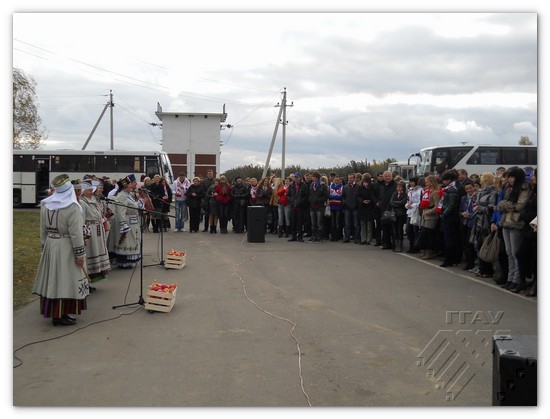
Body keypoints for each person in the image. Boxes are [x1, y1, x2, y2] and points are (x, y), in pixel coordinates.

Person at [32, 174, 89, 326]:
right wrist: (80, 254)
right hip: (66, 246)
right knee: (65, 279)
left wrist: (44, 246)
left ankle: (55, 312)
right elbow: (76, 234)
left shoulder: (46, 204)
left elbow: (42, 229)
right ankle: (60, 314)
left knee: (53, 279)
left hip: (51, 244)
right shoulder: (72, 207)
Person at [497, 167, 531, 292]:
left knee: (515, 252)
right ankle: (510, 279)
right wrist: (505, 205)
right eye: (509, 177)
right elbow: (501, 203)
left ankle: (516, 280)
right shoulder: (507, 188)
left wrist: (505, 205)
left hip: (516, 223)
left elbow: (519, 206)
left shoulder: (524, 188)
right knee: (508, 252)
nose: (509, 179)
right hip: (506, 221)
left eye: (512, 177)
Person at [107, 175, 144, 269]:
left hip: (133, 221)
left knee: (132, 241)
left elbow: (133, 206)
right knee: (127, 242)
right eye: (132, 183)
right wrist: (123, 225)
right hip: (128, 221)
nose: (134, 184)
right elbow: (121, 211)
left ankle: (129, 260)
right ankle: (124, 261)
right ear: (126, 185)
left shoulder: (129, 194)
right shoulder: (122, 196)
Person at [80, 180, 110, 289]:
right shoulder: (82, 202)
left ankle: (91, 280)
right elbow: (82, 220)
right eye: (89, 190)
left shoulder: (92, 199)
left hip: (97, 230)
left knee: (96, 253)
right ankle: (86, 281)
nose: (91, 192)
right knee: (90, 254)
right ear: (83, 191)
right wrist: (84, 236)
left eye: (92, 190)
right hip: (90, 232)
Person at [473, 172, 498, 278]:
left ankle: (487, 270)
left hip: (486, 221)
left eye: (482, 180)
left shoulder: (493, 193)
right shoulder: (480, 192)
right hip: (478, 221)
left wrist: (479, 208)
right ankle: (481, 267)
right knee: (478, 244)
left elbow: (491, 207)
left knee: (485, 245)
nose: (480, 182)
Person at [438, 171, 461, 267]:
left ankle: (449, 259)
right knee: (450, 238)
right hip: (448, 215)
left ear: (449, 180)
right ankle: (452, 258)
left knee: (449, 239)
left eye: (445, 180)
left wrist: (444, 214)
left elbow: (451, 204)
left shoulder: (451, 190)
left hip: (450, 217)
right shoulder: (448, 189)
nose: (443, 182)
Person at [418, 175, 440, 260]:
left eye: (427, 182)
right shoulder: (427, 191)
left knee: (428, 234)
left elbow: (437, 206)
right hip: (425, 215)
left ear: (432, 182)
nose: (426, 184)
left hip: (431, 216)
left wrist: (428, 212)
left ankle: (430, 252)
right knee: (425, 234)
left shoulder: (435, 193)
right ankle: (426, 251)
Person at [459, 181, 477, 271]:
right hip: (464, 222)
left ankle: (471, 263)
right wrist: (462, 214)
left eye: (470, 188)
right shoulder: (463, 198)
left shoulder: (475, 197)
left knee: (470, 244)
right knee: (465, 243)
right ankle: (468, 262)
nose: (469, 190)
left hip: (472, 222)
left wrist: (470, 215)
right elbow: (461, 209)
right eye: (467, 189)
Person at [287, 172, 309, 242]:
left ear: (300, 178)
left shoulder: (304, 185)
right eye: (295, 177)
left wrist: (300, 202)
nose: (295, 179)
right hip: (293, 206)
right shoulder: (291, 185)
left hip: (300, 206)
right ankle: (293, 236)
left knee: (300, 221)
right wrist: (292, 201)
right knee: (293, 221)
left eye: (297, 177)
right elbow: (288, 195)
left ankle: (300, 236)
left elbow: (305, 196)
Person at [378, 171, 397, 250]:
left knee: (392, 228)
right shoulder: (382, 185)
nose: (387, 178)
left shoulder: (395, 185)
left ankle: (394, 244)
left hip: (392, 209)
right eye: (385, 176)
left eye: (389, 176)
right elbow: (380, 196)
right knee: (385, 227)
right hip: (383, 209)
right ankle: (386, 243)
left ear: (391, 176)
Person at [308, 171, 329, 243]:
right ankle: (314, 236)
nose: (312, 178)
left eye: (313, 177)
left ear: (317, 177)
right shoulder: (312, 185)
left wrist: (318, 200)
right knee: (313, 223)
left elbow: (326, 196)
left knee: (319, 223)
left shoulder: (323, 186)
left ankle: (320, 237)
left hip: (319, 207)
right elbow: (310, 194)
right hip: (312, 206)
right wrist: (311, 200)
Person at [389, 180, 408, 252]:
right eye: (398, 187)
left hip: (401, 214)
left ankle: (400, 246)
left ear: (403, 187)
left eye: (400, 187)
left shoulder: (405, 194)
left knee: (399, 230)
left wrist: (395, 203)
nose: (399, 189)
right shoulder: (394, 193)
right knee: (395, 230)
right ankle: (396, 245)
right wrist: (397, 204)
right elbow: (391, 202)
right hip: (394, 214)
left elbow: (403, 202)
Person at [341, 173, 360, 243]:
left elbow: (359, 197)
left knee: (356, 224)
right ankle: (347, 237)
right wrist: (345, 203)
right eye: (349, 178)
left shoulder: (358, 187)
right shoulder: (345, 187)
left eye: (351, 178)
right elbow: (342, 197)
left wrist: (357, 204)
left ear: (354, 179)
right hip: (347, 208)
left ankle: (356, 238)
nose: (350, 179)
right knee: (347, 224)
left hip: (355, 208)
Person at [405, 176, 422, 253]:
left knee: (415, 230)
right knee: (408, 230)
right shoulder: (410, 190)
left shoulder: (420, 190)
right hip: (410, 212)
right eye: (410, 182)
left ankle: (415, 246)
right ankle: (411, 245)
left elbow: (420, 202)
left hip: (416, 212)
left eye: (412, 182)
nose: (411, 183)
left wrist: (413, 205)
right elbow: (408, 200)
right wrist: (407, 205)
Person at [357, 173, 374, 245]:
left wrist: (370, 201)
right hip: (362, 207)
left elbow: (373, 195)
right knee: (363, 224)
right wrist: (362, 201)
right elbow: (358, 196)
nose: (365, 181)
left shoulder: (372, 186)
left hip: (369, 207)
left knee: (369, 225)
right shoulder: (360, 186)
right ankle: (363, 239)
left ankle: (368, 239)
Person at [328, 174, 344, 241]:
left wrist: (334, 197)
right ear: (333, 180)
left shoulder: (342, 187)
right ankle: (332, 236)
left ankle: (337, 236)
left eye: (338, 180)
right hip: (331, 206)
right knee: (332, 223)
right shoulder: (330, 186)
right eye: (335, 180)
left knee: (337, 223)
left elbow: (341, 196)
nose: (336, 181)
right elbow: (328, 195)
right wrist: (335, 197)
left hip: (338, 207)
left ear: (339, 181)